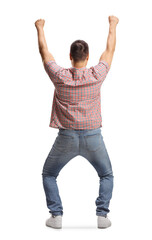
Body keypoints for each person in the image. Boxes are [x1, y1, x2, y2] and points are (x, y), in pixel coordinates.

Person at [35, 15, 119, 229]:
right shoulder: (96, 74)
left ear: (70, 56)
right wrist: (112, 25)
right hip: (93, 138)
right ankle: (102, 216)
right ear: (88, 57)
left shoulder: (59, 75)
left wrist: (40, 28)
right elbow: (109, 51)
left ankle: (56, 216)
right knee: (106, 174)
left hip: (66, 138)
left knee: (48, 174)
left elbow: (44, 52)